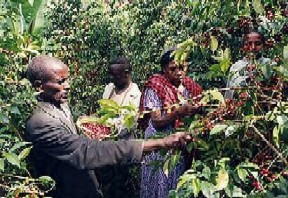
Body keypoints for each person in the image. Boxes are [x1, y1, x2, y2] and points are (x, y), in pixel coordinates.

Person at [25, 55, 192, 198]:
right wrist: (160, 143)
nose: (68, 85)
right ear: (39, 86)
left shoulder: (59, 103)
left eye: (67, 79)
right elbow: (84, 151)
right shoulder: (40, 123)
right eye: (61, 81)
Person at [139, 48, 203, 198]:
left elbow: (200, 108)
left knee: (176, 181)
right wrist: (179, 112)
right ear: (164, 69)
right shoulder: (155, 86)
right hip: (158, 142)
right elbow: (156, 121)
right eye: (173, 69)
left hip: (179, 142)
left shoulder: (190, 86)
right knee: (158, 182)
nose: (179, 72)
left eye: (182, 67)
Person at [100, 57, 142, 197]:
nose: (113, 79)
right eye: (111, 75)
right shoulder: (109, 89)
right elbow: (102, 112)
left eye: (116, 76)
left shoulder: (135, 95)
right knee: (106, 183)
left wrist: (107, 126)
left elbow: (129, 124)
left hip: (124, 147)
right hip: (106, 145)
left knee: (121, 184)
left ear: (126, 73)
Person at [225, 30, 274, 99]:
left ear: (264, 46)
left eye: (257, 43)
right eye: (248, 43)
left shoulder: (270, 64)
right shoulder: (236, 66)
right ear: (243, 47)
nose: (253, 47)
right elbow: (229, 94)